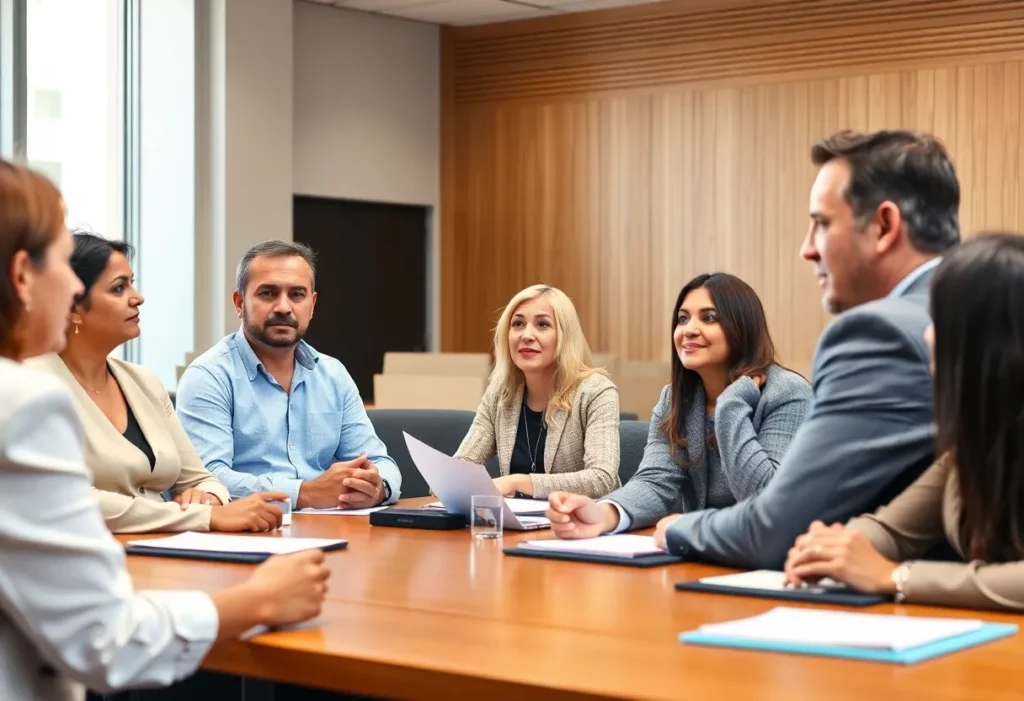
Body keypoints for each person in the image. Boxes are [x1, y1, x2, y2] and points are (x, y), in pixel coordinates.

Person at [0, 160, 328, 700]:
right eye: (62, 262)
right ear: (20, 276)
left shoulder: (133, 381)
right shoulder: (24, 401)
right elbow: (102, 639)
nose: (139, 297)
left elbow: (199, 474)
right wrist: (257, 599)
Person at [584, 129, 959, 568]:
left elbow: (779, 527)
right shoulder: (978, 306)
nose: (806, 249)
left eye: (821, 223)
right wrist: (612, 510)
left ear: (883, 226)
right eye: (683, 318)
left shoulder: (878, 334)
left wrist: (680, 527)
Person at [784, 234, 1024, 611]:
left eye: (940, 318)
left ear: (988, 343)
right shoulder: (971, 443)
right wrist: (836, 547)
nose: (928, 333)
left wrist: (894, 577)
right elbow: (892, 530)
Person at [28, 232, 285, 533]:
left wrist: (208, 498)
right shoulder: (33, 384)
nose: (138, 297)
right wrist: (202, 517)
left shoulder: (143, 382)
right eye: (119, 288)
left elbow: (201, 478)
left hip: (161, 552)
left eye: (132, 283)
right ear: (72, 306)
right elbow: (72, 499)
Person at [546, 273, 811, 536]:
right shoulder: (676, 397)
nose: (689, 329)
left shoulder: (788, 393)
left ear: (743, 328)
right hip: (698, 551)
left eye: (709, 318)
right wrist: (604, 514)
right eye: (683, 319)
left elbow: (765, 498)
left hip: (767, 559)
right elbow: (654, 482)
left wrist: (730, 406)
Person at [176, 240, 402, 510]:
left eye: (297, 294)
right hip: (247, 533)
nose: (283, 307)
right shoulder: (209, 376)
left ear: (312, 304)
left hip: (334, 529)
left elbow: (381, 463)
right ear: (239, 303)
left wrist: (377, 488)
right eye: (268, 293)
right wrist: (304, 493)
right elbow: (207, 479)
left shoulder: (333, 374)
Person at [456, 284, 620, 499]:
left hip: (579, 525)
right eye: (518, 324)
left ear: (565, 335)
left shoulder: (595, 391)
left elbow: (601, 479)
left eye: (542, 324)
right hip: (516, 527)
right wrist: (450, 481)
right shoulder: (500, 394)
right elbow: (459, 471)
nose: (527, 335)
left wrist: (519, 482)